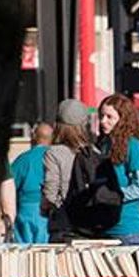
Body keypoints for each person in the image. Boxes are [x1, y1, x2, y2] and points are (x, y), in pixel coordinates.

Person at [96, 94, 139, 244]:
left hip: (126, 229)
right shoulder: (103, 145)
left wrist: (112, 196)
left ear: (123, 119)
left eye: (109, 117)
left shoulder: (133, 146)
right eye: (101, 116)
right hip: (102, 226)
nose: (103, 121)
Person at [42, 99, 92, 243]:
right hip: (90, 223)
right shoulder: (93, 152)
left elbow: (50, 194)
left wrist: (48, 208)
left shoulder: (54, 153)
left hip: (64, 224)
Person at [10, 123, 53, 243]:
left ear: (34, 137)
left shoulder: (23, 159)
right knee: (45, 252)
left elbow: (9, 185)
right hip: (48, 210)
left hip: (26, 210)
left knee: (23, 251)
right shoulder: (55, 159)